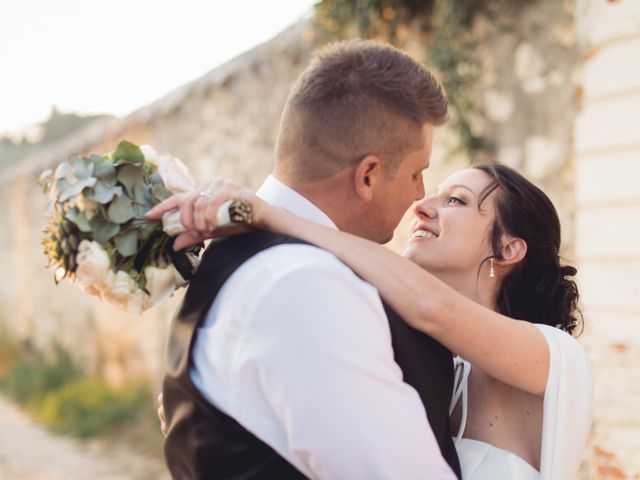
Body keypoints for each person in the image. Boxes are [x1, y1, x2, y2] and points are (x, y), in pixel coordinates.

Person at [150, 162, 593, 479]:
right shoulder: (438, 363)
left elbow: (430, 307)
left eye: (455, 200)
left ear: (508, 249)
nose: (421, 205)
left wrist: (271, 216)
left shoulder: (555, 358)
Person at [148, 39, 460, 479]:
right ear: (368, 175)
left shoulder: (240, 249)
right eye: (415, 173)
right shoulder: (305, 285)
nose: (419, 194)